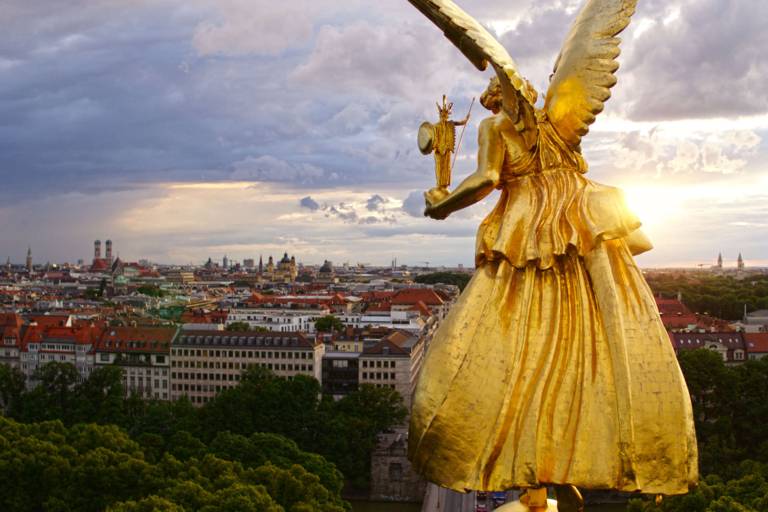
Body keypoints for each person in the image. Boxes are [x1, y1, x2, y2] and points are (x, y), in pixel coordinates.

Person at [408, 76, 698, 499]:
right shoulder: (551, 127)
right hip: (575, 223)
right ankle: (552, 467)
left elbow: (488, 178)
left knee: (511, 352)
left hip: (528, 232)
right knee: (568, 348)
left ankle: (534, 469)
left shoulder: (495, 127)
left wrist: (442, 206)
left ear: (497, 98)